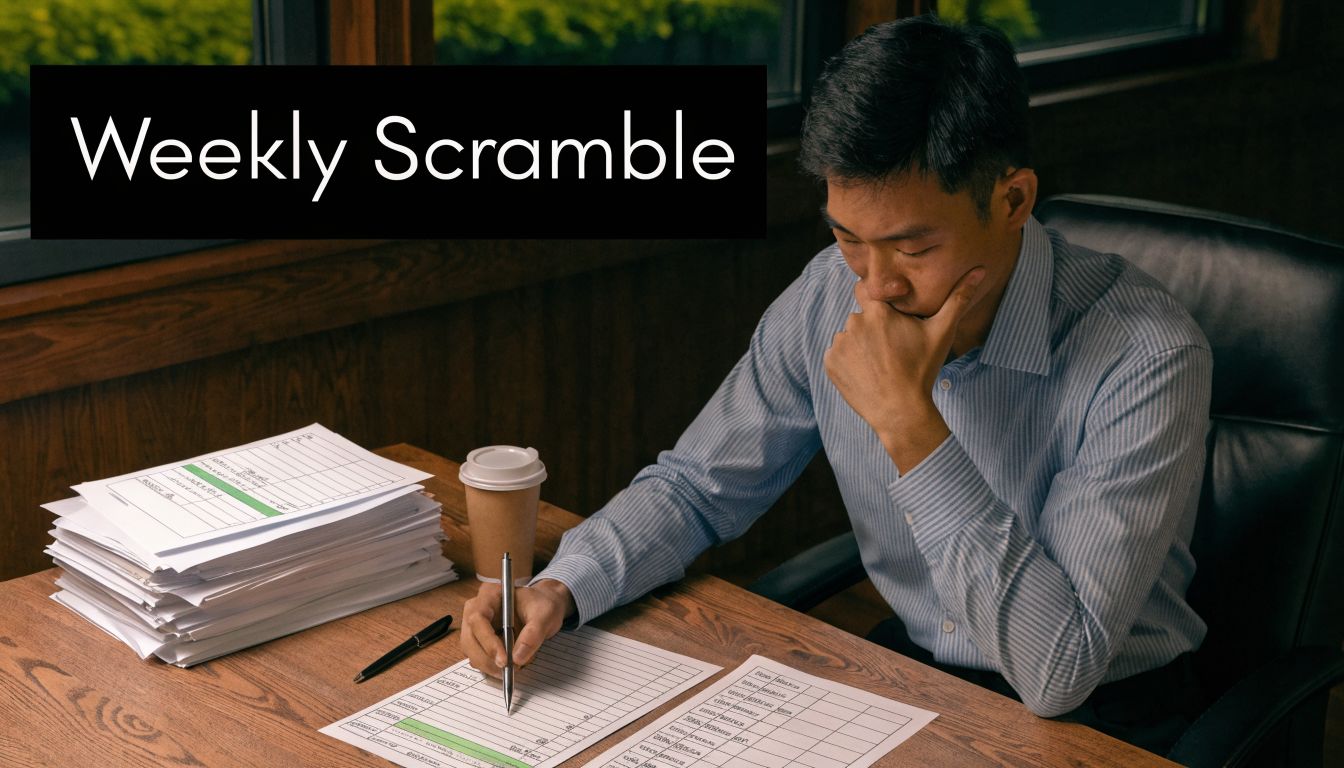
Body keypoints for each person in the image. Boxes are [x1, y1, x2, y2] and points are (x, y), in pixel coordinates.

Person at [462, 15, 1211, 754]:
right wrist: (561, 587)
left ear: (1012, 201)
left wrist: (910, 425)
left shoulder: (1147, 355)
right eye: (848, 238)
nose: (875, 288)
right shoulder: (827, 295)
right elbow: (696, 488)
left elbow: (1060, 672)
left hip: (1109, 717)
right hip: (919, 680)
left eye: (912, 247)